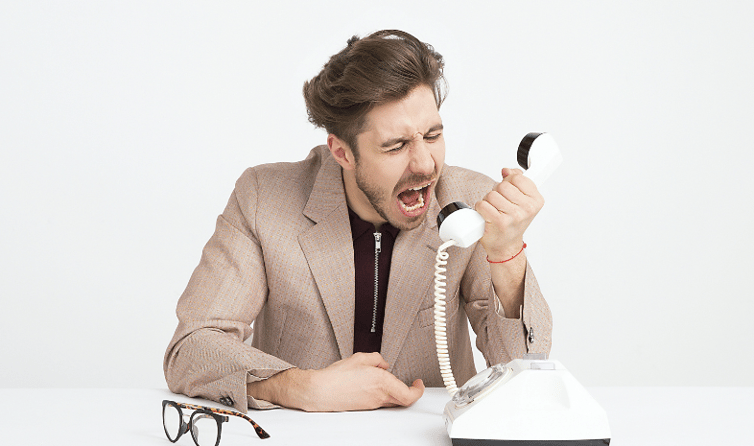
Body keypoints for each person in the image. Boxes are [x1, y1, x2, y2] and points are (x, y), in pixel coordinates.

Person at [164, 29, 552, 413]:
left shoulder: (469, 201)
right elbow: (192, 347)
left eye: (432, 135)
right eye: (395, 145)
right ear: (342, 152)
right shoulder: (263, 197)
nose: (425, 164)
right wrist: (299, 387)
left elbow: (525, 370)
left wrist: (506, 254)